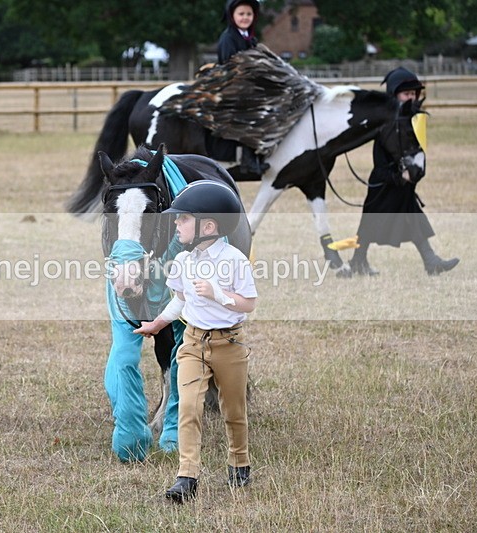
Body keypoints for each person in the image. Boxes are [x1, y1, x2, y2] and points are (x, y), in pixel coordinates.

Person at [133, 181, 258, 504]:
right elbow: (180, 300)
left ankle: (239, 460)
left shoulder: (234, 260)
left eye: (183, 219)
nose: (176, 224)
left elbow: (248, 304)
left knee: (233, 410)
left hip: (229, 345)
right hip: (192, 343)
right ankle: (186, 476)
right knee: (188, 406)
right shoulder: (184, 262)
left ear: (209, 226)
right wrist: (158, 323)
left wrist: (218, 294)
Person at [342, 67, 459, 277]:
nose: (411, 97)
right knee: (369, 224)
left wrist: (414, 174)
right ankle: (358, 261)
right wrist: (398, 177)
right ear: (394, 95)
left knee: (411, 216)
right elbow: (379, 165)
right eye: (406, 94)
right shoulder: (385, 124)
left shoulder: (412, 121)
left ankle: (430, 261)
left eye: (413, 93)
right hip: (384, 183)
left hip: (403, 184)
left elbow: (418, 152)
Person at [214, 0, 269, 179]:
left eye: (249, 14)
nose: (245, 17)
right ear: (232, 16)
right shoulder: (228, 38)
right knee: (250, 109)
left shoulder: (250, 38)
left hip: (247, 84)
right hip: (230, 85)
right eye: (241, 14)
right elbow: (230, 66)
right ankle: (247, 159)